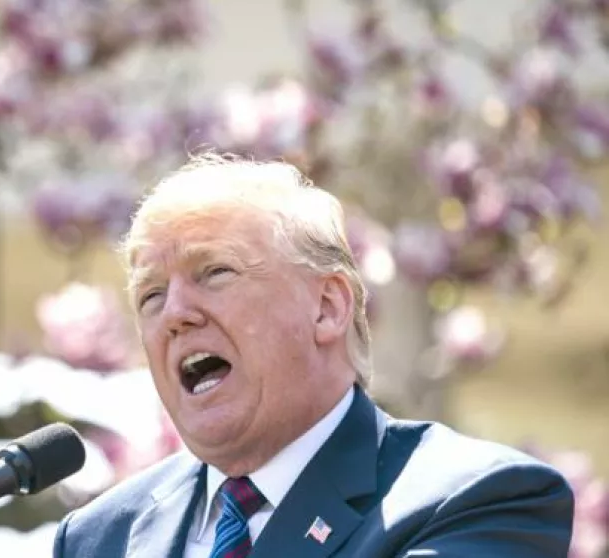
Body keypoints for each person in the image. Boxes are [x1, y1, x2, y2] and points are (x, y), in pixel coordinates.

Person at [51, 154, 575, 558]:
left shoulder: (477, 499)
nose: (175, 314)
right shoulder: (99, 537)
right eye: (151, 296)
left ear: (327, 307)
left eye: (214, 273)